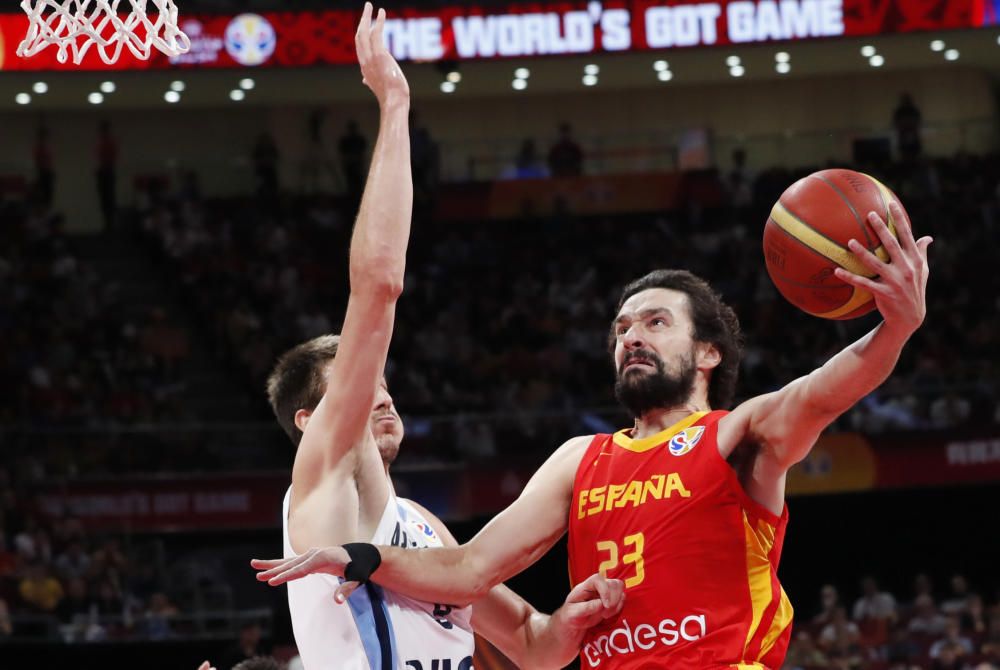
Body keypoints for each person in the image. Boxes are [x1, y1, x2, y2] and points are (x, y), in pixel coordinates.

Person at [255, 193, 932, 666]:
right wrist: (362, 556)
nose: (632, 335)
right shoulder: (582, 459)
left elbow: (820, 394)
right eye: (622, 327)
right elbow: (469, 569)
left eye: (656, 322)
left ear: (708, 353)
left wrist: (895, 326)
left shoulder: (738, 436)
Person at [255, 5, 621, 670]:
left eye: (386, 385)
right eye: (364, 386)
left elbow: (536, 649)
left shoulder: (422, 528)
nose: (383, 396)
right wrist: (394, 107)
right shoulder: (321, 488)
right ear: (312, 422)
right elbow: (378, 289)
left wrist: (573, 617)